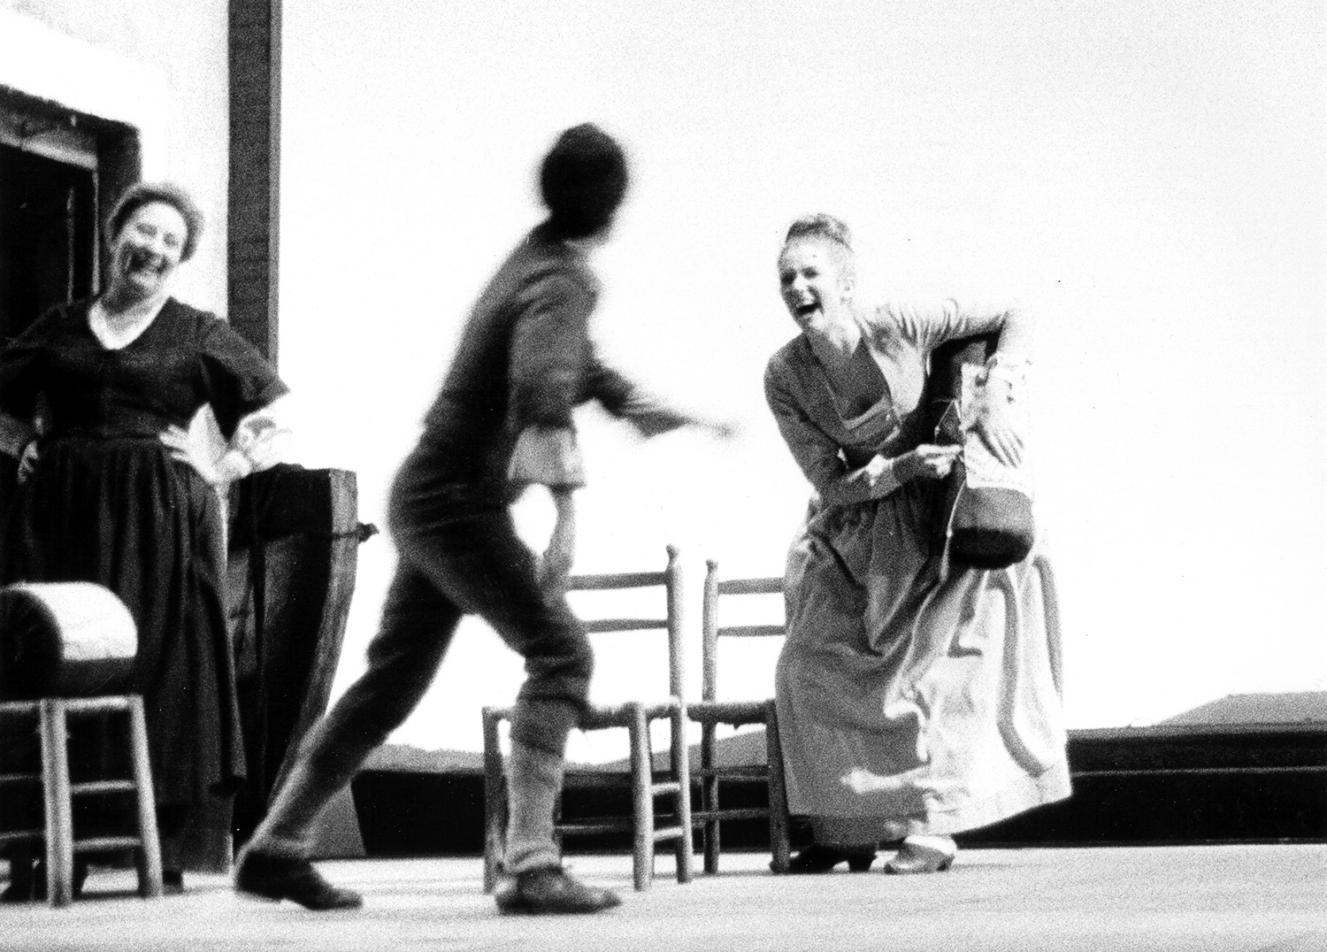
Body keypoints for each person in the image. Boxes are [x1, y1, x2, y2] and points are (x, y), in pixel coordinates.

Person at [234, 123, 731, 914]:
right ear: (612, 210)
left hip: (426, 497)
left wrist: (648, 409)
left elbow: (571, 364)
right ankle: (532, 864)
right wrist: (567, 522)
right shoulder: (562, 279)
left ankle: (275, 846)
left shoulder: (530, 263)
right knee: (562, 656)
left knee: (392, 680)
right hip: (457, 505)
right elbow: (541, 382)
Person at [0, 182, 290, 897]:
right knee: (54, 661)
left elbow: (274, 409)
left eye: (170, 242)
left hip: (160, 517)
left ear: (180, 258)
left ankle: (157, 847)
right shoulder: (62, 325)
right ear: (114, 235)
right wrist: (21, 444)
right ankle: (42, 842)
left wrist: (224, 464)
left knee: (161, 668)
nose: (154, 250)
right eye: (145, 233)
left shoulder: (197, 331)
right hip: (60, 517)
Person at [764, 213, 1070, 875]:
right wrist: (893, 471)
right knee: (805, 663)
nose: (795, 287)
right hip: (858, 523)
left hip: (939, 522)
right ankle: (845, 827)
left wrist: (993, 398)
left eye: (809, 273)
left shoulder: (901, 323)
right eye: (785, 277)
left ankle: (932, 829)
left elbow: (1015, 309)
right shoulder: (783, 375)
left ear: (845, 284)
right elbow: (825, 478)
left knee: (941, 665)